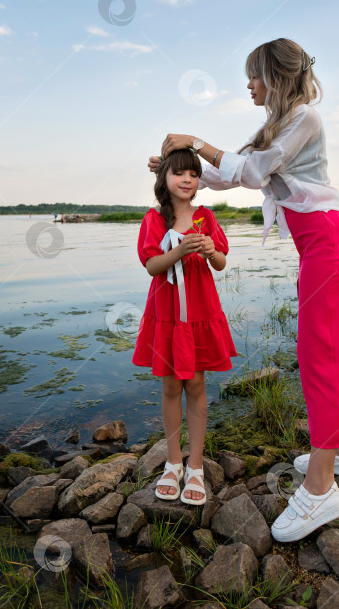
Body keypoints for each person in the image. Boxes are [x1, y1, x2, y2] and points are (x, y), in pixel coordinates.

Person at [148, 38, 339, 541]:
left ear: (274, 75)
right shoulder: (276, 127)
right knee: (336, 349)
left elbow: (250, 170)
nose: (248, 84)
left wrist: (198, 139)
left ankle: (319, 492)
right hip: (320, 245)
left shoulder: (305, 119)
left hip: (330, 243)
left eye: (253, 76)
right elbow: (230, 177)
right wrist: (179, 172)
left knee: (321, 354)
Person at [132, 148, 237, 505]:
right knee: (170, 385)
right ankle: (173, 460)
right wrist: (179, 250)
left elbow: (221, 263)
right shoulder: (154, 219)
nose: (187, 179)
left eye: (193, 174)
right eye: (179, 173)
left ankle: (195, 465)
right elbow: (152, 266)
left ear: (199, 182)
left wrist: (208, 249)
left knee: (195, 382)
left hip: (198, 311)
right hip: (167, 313)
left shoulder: (205, 217)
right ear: (164, 178)